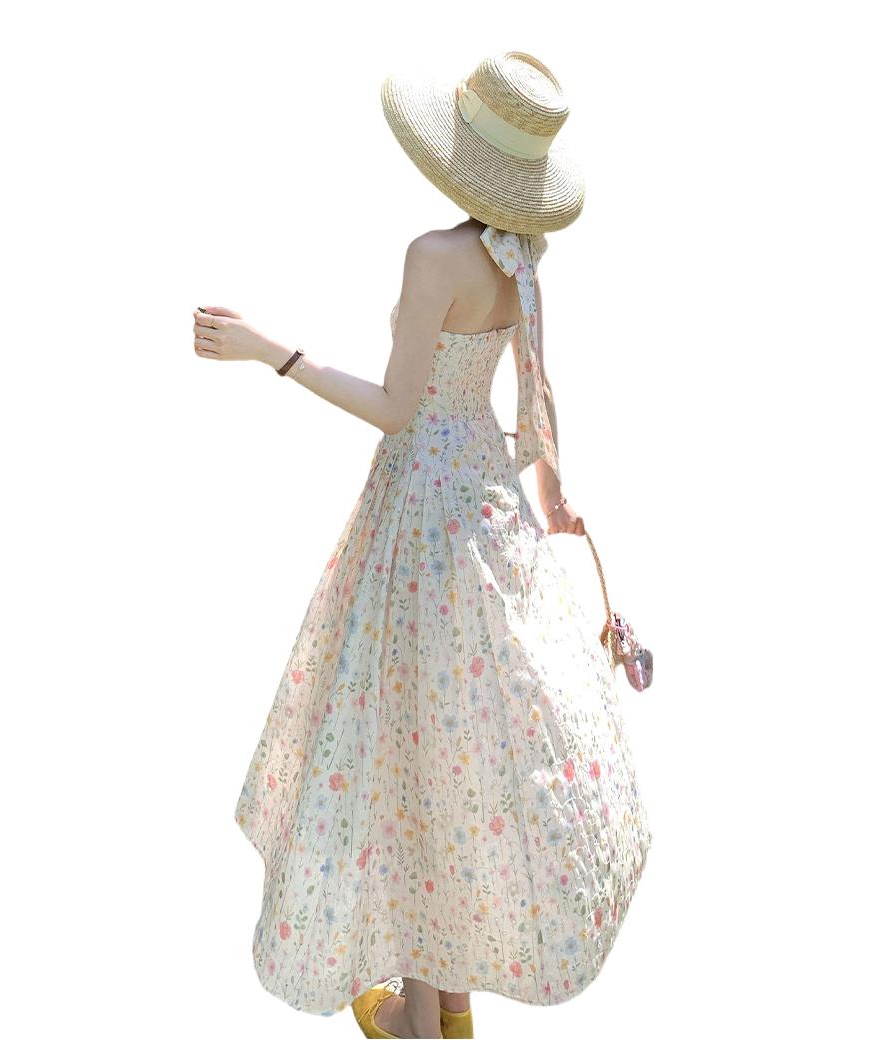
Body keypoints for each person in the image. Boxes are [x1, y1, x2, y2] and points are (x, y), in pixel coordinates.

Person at [194, 51, 652, 1039]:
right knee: (455, 752)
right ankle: (443, 1007)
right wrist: (548, 489)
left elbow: (398, 408)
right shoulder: (520, 253)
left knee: (406, 748)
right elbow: (532, 377)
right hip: (484, 503)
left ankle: (420, 1018)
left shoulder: (434, 255)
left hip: (422, 519)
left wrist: (270, 353)